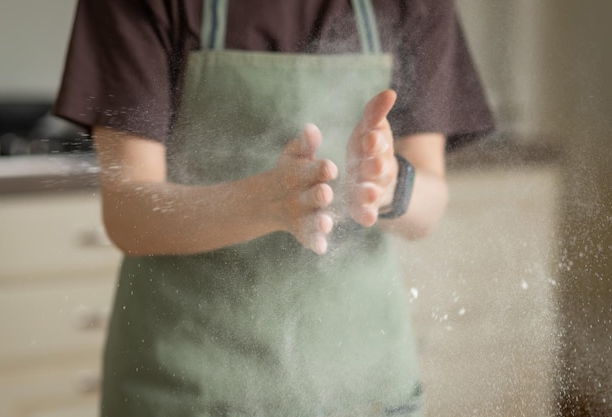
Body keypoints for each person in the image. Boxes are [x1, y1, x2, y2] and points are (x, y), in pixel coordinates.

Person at [54, 0, 494, 416]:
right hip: (188, 386)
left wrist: (390, 185)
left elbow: (429, 205)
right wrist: (265, 203)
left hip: (364, 388)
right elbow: (128, 211)